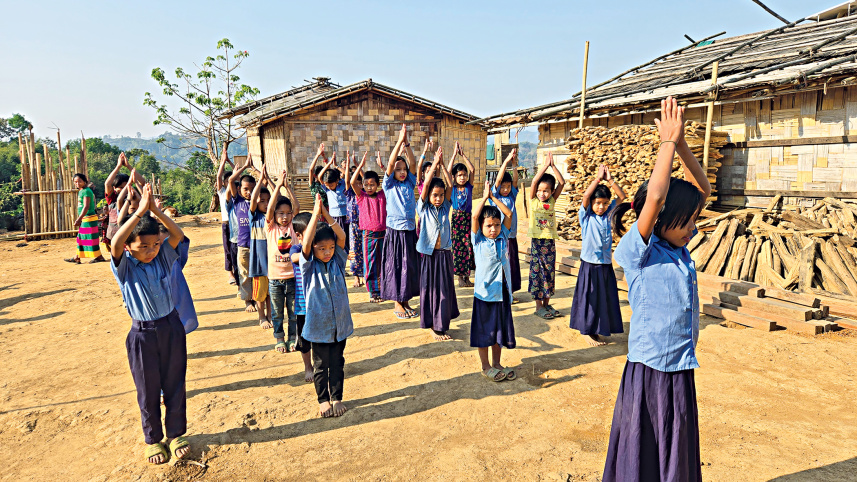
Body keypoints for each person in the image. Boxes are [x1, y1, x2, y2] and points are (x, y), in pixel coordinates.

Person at [602, 97, 711, 482]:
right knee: (644, 447)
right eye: (685, 222)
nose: (692, 228)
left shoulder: (677, 248)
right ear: (660, 220)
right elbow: (657, 197)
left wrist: (681, 144)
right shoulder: (639, 251)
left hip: (679, 365)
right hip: (649, 370)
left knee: (676, 445)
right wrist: (665, 144)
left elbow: (703, 189)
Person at [109, 184, 191, 465]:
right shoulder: (125, 267)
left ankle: (176, 434)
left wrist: (155, 211)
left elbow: (177, 235)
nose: (151, 250)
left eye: (155, 244)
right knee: (147, 389)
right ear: (130, 249)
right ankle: (153, 440)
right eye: (143, 246)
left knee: (175, 384)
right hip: (142, 334)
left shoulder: (164, 259)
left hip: (172, 327)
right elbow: (116, 242)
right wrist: (138, 213)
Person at [301, 194, 353, 418]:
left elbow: (341, 235)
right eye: (321, 248)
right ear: (313, 249)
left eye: (330, 247)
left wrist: (326, 215)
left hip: (339, 325)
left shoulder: (338, 262)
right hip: (319, 327)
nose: (327, 251)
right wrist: (314, 215)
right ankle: (323, 400)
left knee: (338, 363)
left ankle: (337, 397)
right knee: (321, 366)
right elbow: (305, 244)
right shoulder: (309, 267)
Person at [569, 164, 627, 346]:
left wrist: (610, 179)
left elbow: (622, 197)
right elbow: (586, 196)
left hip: (605, 263)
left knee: (603, 297)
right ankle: (586, 330)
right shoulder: (586, 217)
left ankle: (597, 329)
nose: (600, 207)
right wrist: (597, 179)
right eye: (597, 203)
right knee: (589, 297)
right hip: (589, 264)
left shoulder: (609, 214)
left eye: (604, 203)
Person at [471, 181, 517, 382]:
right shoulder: (478, 240)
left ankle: (497, 364)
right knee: (484, 332)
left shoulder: (503, 237)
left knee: (498, 331)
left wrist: (493, 198)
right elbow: (474, 216)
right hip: (484, 294)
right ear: (481, 227)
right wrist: (484, 197)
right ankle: (485, 366)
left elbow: (508, 215)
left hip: (502, 293)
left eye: (496, 225)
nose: (494, 229)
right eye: (489, 225)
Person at [417, 146, 459, 341]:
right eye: (435, 195)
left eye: (441, 195)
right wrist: (434, 165)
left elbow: (450, 186)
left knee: (444, 290)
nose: (438, 198)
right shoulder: (424, 207)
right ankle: (434, 326)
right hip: (429, 254)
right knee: (431, 290)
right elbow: (425, 186)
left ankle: (441, 324)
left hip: (444, 254)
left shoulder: (445, 208)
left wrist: (443, 166)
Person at [381, 124, 420, 319]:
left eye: (403, 169)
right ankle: (397, 302)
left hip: (410, 230)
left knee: (409, 265)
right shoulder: (389, 185)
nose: (402, 172)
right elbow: (389, 165)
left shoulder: (410, 182)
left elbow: (413, 165)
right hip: (395, 231)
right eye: (399, 170)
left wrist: (408, 145)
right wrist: (398, 142)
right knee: (396, 264)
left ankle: (405, 301)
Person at [527, 152, 566, 319]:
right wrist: (544, 167)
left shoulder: (551, 201)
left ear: (551, 192)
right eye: (540, 191)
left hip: (549, 243)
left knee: (549, 273)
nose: (542, 194)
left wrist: (553, 166)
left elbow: (562, 182)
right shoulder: (534, 200)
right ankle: (538, 307)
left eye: (546, 191)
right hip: (537, 243)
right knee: (537, 273)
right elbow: (535, 181)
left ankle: (547, 304)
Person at [265, 168, 300, 353]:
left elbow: (297, 208)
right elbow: (270, 209)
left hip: (292, 278)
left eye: (287, 213)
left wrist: (287, 187)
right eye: (281, 213)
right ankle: (279, 338)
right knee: (277, 313)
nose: (284, 216)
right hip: (275, 279)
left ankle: (293, 337)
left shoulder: (294, 227)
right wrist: (277, 186)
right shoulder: (271, 228)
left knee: (293, 312)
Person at [352, 154, 387, 303]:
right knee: (370, 263)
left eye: (372, 184)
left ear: (377, 185)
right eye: (366, 185)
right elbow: (353, 182)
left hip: (383, 234)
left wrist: (383, 167)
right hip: (368, 235)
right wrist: (360, 166)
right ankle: (373, 291)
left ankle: (383, 289)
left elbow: (389, 180)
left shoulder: (382, 195)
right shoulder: (362, 197)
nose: (369, 187)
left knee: (383, 262)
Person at [226, 154, 258, 313]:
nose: (249, 192)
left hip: (257, 244)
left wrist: (257, 171)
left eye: (252, 189)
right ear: (239, 190)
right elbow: (231, 181)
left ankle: (258, 297)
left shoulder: (258, 203)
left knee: (257, 272)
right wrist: (245, 167)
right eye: (246, 189)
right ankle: (247, 300)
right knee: (244, 274)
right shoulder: (237, 201)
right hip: (243, 245)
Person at [489, 148, 522, 302]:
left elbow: (515, 179)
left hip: (511, 238)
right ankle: (500, 293)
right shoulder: (495, 196)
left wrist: (514, 165)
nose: (505, 189)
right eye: (503, 187)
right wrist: (506, 162)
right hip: (499, 238)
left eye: (508, 187)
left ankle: (509, 293)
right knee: (501, 266)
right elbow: (498, 179)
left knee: (511, 266)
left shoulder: (512, 196)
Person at [290, 212, 315, 382]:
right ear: (299, 236)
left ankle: (320, 365)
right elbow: (297, 257)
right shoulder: (296, 249)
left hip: (320, 304)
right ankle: (308, 366)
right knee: (304, 340)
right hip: (302, 305)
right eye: (311, 232)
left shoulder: (321, 248)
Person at [448, 142, 476, 288]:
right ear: (454, 177)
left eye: (464, 175)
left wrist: (463, 155)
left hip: (467, 219)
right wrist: (453, 154)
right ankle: (460, 278)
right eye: (459, 175)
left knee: (468, 248)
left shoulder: (469, 187)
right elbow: (447, 171)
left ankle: (467, 278)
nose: (462, 177)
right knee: (458, 249)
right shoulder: (452, 188)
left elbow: (472, 169)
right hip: (457, 219)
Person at [249, 167, 273, 328]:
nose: (265, 204)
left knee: (271, 292)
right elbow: (252, 199)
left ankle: (271, 315)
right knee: (259, 294)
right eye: (261, 201)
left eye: (267, 201)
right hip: (258, 263)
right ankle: (262, 316)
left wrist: (271, 182)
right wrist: (260, 180)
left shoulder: (273, 217)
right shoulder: (254, 216)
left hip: (272, 263)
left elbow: (275, 197)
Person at [66, 173, 106, 264]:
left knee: (88, 238)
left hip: (88, 218)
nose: (77, 183)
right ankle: (77, 257)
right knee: (83, 237)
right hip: (86, 218)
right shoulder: (82, 191)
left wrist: (79, 219)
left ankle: (98, 256)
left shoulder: (86, 191)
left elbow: (86, 206)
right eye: (75, 182)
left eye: (79, 181)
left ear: (84, 181)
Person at [317, 150, 350, 254]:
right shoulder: (326, 189)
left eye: (331, 185)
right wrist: (328, 164)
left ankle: (347, 256)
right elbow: (319, 177)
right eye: (327, 185)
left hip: (345, 216)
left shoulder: (343, 185)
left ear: (337, 181)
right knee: (336, 239)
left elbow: (347, 175)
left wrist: (336, 166)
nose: (329, 187)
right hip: (334, 217)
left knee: (347, 238)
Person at [215, 145, 237, 285]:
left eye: (233, 182)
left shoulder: (237, 193)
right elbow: (218, 176)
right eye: (227, 182)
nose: (230, 184)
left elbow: (238, 173)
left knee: (237, 248)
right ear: (223, 183)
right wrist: (223, 161)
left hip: (237, 225)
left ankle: (237, 272)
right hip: (226, 224)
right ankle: (230, 274)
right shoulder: (222, 192)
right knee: (227, 249)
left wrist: (230, 162)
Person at [344, 153, 364, 286]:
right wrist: (347, 161)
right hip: (353, 225)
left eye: (359, 183)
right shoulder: (349, 193)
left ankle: (365, 275)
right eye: (354, 183)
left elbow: (365, 178)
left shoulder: (364, 195)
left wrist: (359, 165)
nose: (357, 185)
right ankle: (356, 276)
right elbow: (347, 181)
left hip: (365, 225)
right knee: (354, 250)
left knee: (364, 249)